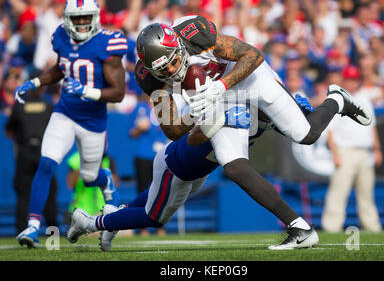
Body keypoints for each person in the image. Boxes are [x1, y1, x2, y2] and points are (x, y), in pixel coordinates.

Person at [132, 16, 373, 248]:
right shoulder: (148, 77)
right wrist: (193, 113)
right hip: (221, 98)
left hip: (245, 76)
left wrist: (221, 85)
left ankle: (336, 100)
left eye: (173, 60)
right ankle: (299, 228)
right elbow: (172, 129)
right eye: (163, 69)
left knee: (306, 135)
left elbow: (252, 55)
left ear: (177, 45)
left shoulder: (193, 32)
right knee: (234, 166)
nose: (173, 70)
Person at [67, 100, 317, 252]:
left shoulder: (258, 116)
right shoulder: (228, 107)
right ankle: (90, 222)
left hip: (197, 171)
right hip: (176, 165)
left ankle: (114, 219)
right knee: (155, 217)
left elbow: (274, 122)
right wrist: (221, 119)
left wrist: (291, 112)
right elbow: (193, 134)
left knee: (152, 198)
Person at [14, 0, 126, 249]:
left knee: (89, 177)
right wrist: (35, 82)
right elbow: (60, 69)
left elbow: (118, 93)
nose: (83, 23)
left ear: (96, 17)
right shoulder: (61, 36)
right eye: (77, 18)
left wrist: (86, 91)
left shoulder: (108, 43)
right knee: (46, 164)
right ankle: (32, 227)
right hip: (65, 112)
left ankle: (105, 179)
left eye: (87, 17)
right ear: (67, 19)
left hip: (93, 121)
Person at [321, 66, 383, 233]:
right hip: (345, 151)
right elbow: (330, 130)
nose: (352, 82)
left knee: (366, 193)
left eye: (354, 79)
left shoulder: (364, 97)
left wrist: (377, 149)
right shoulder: (339, 99)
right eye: (349, 78)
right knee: (338, 192)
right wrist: (335, 153)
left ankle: (372, 227)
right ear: (344, 79)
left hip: (365, 152)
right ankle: (331, 226)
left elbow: (372, 126)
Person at [5, 80, 57, 235]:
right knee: (48, 191)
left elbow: (9, 130)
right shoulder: (48, 106)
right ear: (43, 89)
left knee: (24, 194)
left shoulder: (20, 105)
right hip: (44, 152)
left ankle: (21, 231)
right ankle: (52, 232)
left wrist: (21, 142)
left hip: (25, 152)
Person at [129, 92, 168, 236]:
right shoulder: (139, 107)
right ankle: (143, 227)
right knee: (142, 190)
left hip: (161, 154)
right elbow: (131, 133)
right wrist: (139, 128)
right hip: (143, 155)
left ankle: (160, 226)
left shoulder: (165, 108)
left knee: (162, 191)